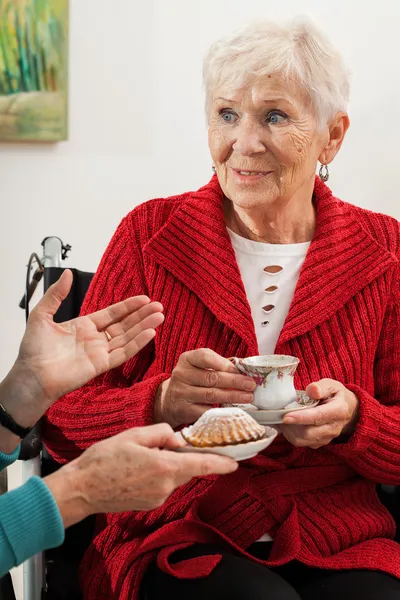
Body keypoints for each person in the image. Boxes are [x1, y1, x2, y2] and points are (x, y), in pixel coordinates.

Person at [43, 18, 400, 600]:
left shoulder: (386, 250)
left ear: (333, 136)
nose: (245, 143)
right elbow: (60, 422)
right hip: (180, 527)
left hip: (339, 534)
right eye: (226, 114)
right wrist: (158, 401)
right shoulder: (149, 235)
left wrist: (359, 420)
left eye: (275, 117)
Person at [0, 270, 237, 577]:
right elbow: (63, 428)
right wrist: (76, 491)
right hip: (163, 539)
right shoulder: (146, 235)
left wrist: (24, 391)